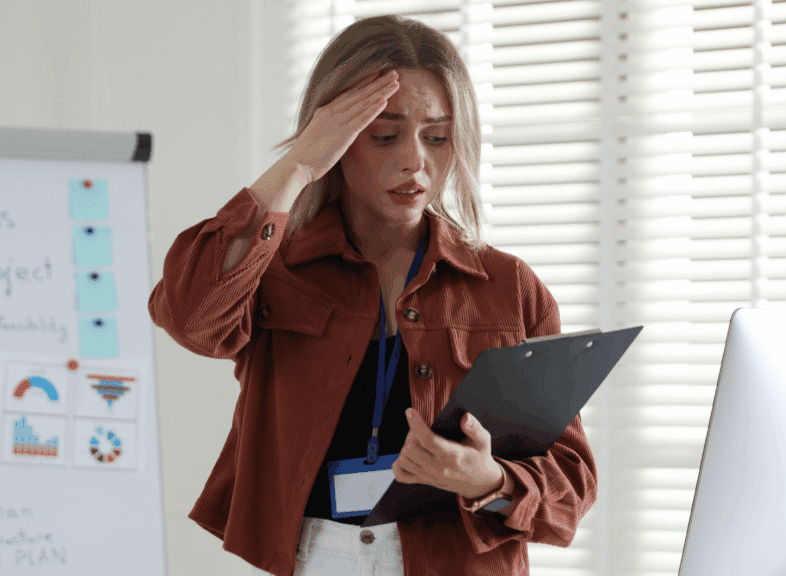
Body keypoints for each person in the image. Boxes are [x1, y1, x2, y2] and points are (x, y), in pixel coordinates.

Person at [148, 14, 597, 576]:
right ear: (334, 138)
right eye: (383, 135)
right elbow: (190, 316)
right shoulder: (274, 268)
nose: (415, 162)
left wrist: (489, 480)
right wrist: (298, 164)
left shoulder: (507, 287)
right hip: (316, 558)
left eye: (437, 136)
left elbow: (571, 484)